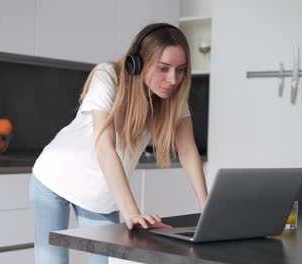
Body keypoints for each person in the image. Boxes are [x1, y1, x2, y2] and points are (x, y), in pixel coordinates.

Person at [29, 23, 208, 264]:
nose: (173, 79)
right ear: (139, 62)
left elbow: (187, 151)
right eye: (163, 68)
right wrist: (132, 212)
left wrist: (207, 209)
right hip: (54, 178)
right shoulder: (108, 77)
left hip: (100, 195)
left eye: (181, 70)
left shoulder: (172, 99)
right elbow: (105, 148)